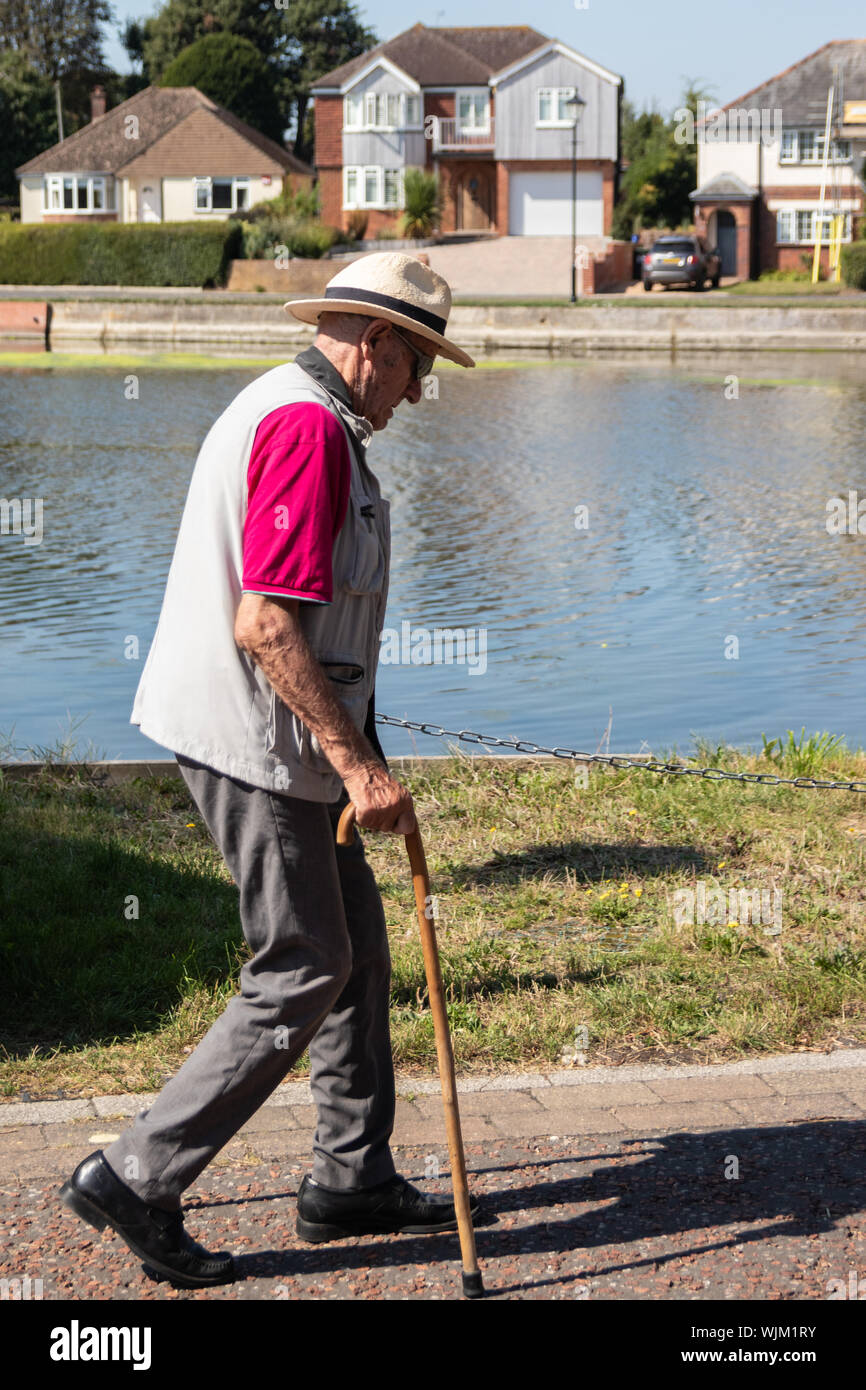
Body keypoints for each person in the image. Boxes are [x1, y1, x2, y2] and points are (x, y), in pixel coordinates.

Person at [58, 252, 479, 1288]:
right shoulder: (303, 425)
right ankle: (135, 1174)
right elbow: (266, 620)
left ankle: (350, 1176)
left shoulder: (312, 415)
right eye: (416, 364)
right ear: (374, 343)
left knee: (358, 949)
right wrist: (354, 761)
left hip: (287, 730)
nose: (418, 392)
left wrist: (359, 747)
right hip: (255, 739)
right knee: (301, 962)